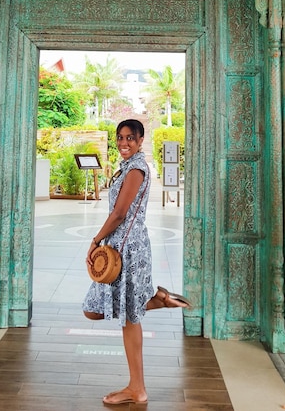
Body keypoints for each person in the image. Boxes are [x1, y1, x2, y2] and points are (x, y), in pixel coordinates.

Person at [83, 118, 191, 406]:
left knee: (129, 317)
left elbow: (120, 213)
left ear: (141, 140)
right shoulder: (127, 167)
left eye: (130, 138)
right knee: (93, 311)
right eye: (120, 137)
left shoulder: (137, 169)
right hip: (119, 246)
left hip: (128, 250)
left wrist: (95, 241)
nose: (123, 143)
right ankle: (158, 299)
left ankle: (137, 389)